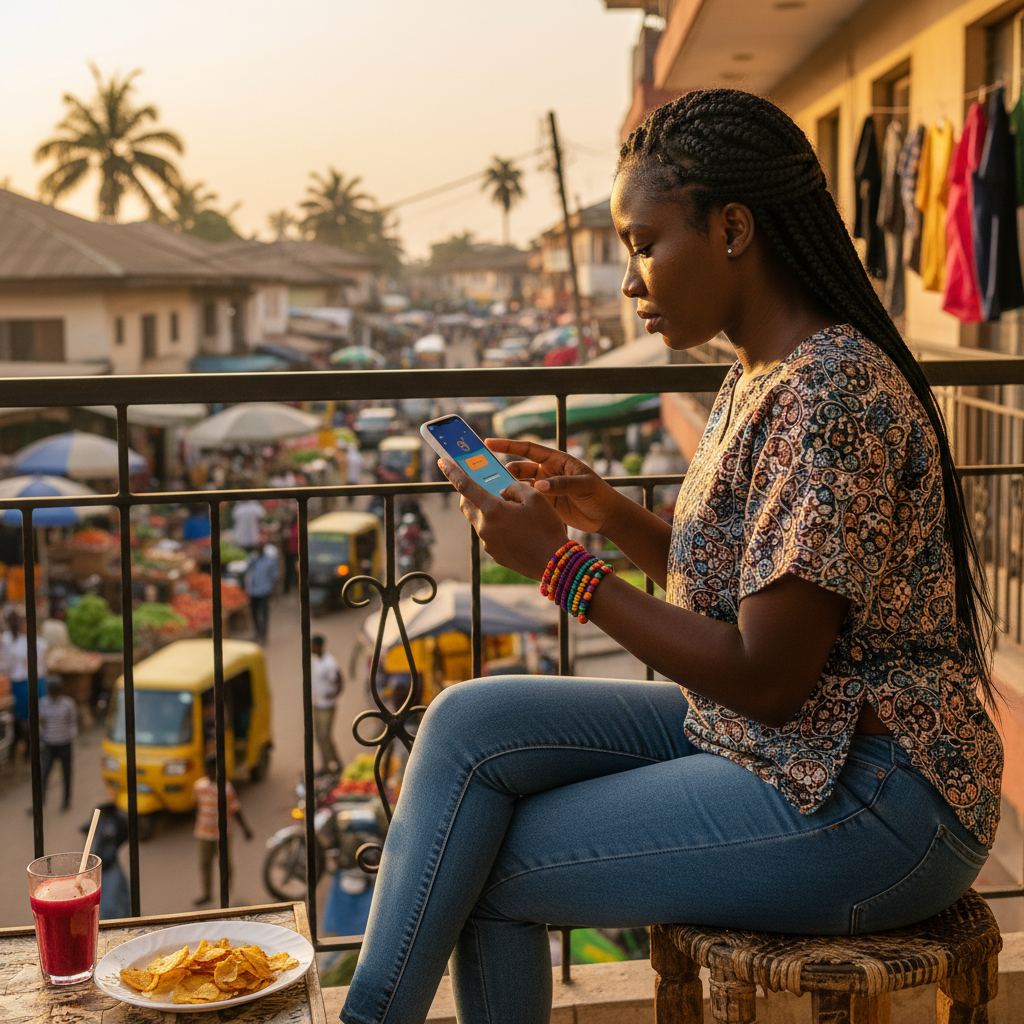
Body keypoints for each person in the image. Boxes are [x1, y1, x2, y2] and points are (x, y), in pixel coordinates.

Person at [339, 90, 1004, 1024]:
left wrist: (559, 567)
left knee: (484, 870)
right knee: (465, 724)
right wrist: (605, 510)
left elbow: (768, 673)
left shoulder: (833, 394)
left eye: (643, 244)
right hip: (796, 743)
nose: (630, 281)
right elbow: (749, 593)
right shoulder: (760, 372)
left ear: (733, 229)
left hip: (877, 797)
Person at [193, 754, 253, 906]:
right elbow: (197, 806)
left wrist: (245, 828)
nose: (211, 772)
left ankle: (225, 892)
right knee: (205, 864)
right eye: (209, 769)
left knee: (225, 864)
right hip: (203, 833)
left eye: (213, 769)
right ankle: (207, 893)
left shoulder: (226, 788)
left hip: (222, 834)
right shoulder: (199, 786)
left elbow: (235, 809)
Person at [3, 612, 48, 764]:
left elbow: (35, 662)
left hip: (35, 681)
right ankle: (26, 743)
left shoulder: (40, 643)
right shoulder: (13, 643)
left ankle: (33, 745)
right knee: (22, 715)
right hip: (20, 683)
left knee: (35, 713)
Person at [37, 678, 78, 810]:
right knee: (44, 774)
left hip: (64, 743)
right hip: (49, 744)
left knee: (66, 773)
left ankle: (66, 801)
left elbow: (72, 722)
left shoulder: (68, 704)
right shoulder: (43, 703)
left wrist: (70, 737)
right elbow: (41, 722)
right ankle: (40, 801)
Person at [311, 635, 343, 772]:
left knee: (325, 735)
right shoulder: (316, 660)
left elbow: (340, 681)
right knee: (319, 736)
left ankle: (335, 763)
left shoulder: (330, 663)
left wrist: (333, 695)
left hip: (327, 706)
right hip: (317, 703)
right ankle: (326, 764)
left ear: (319, 646)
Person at [244, 543, 279, 644]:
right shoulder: (253, 560)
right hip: (253, 591)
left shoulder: (270, 561)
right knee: (253, 613)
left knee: (263, 613)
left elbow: (275, 576)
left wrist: (274, 591)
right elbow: (247, 570)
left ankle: (263, 635)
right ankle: (257, 633)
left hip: (265, 591)